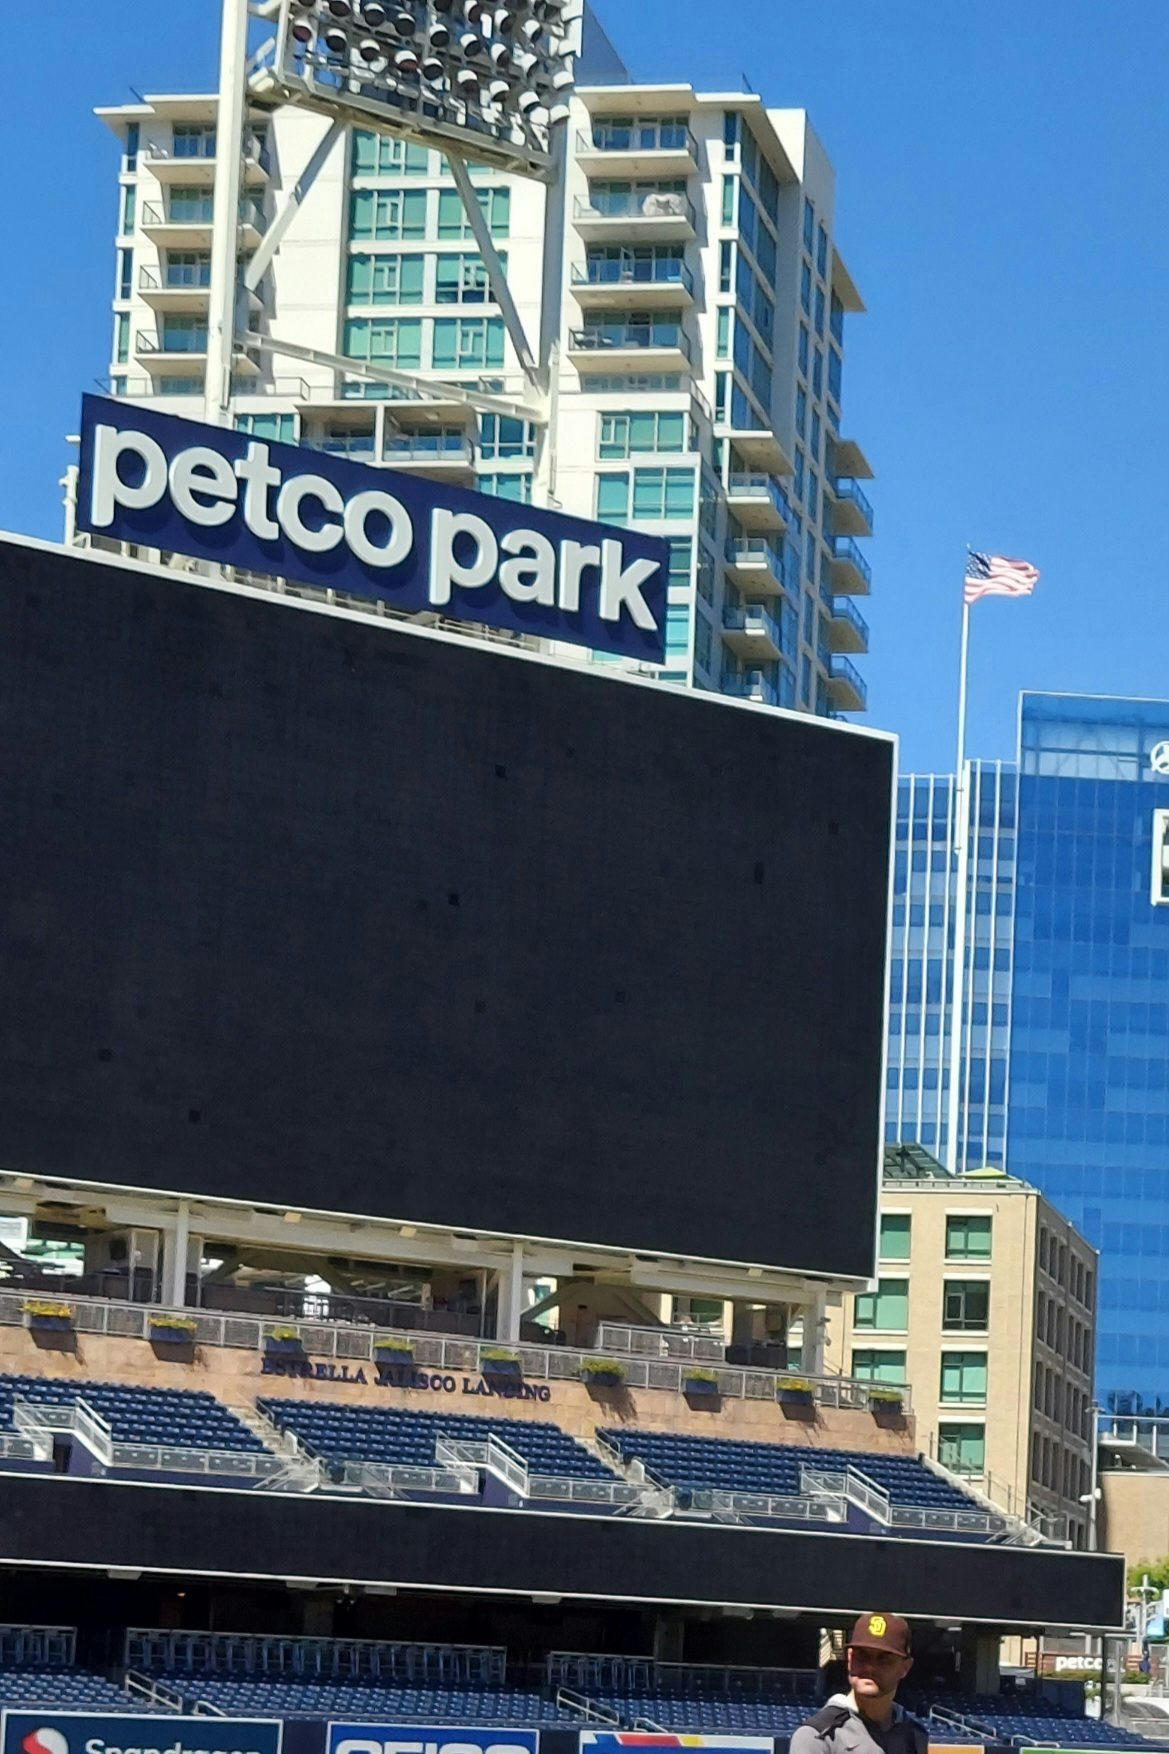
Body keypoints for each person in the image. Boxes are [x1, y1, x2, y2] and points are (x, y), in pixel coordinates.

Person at [789, 1614, 926, 1754]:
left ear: (905, 1667)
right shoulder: (818, 1735)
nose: (870, 1667)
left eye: (884, 1659)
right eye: (862, 1656)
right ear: (849, 1658)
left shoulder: (914, 1735)